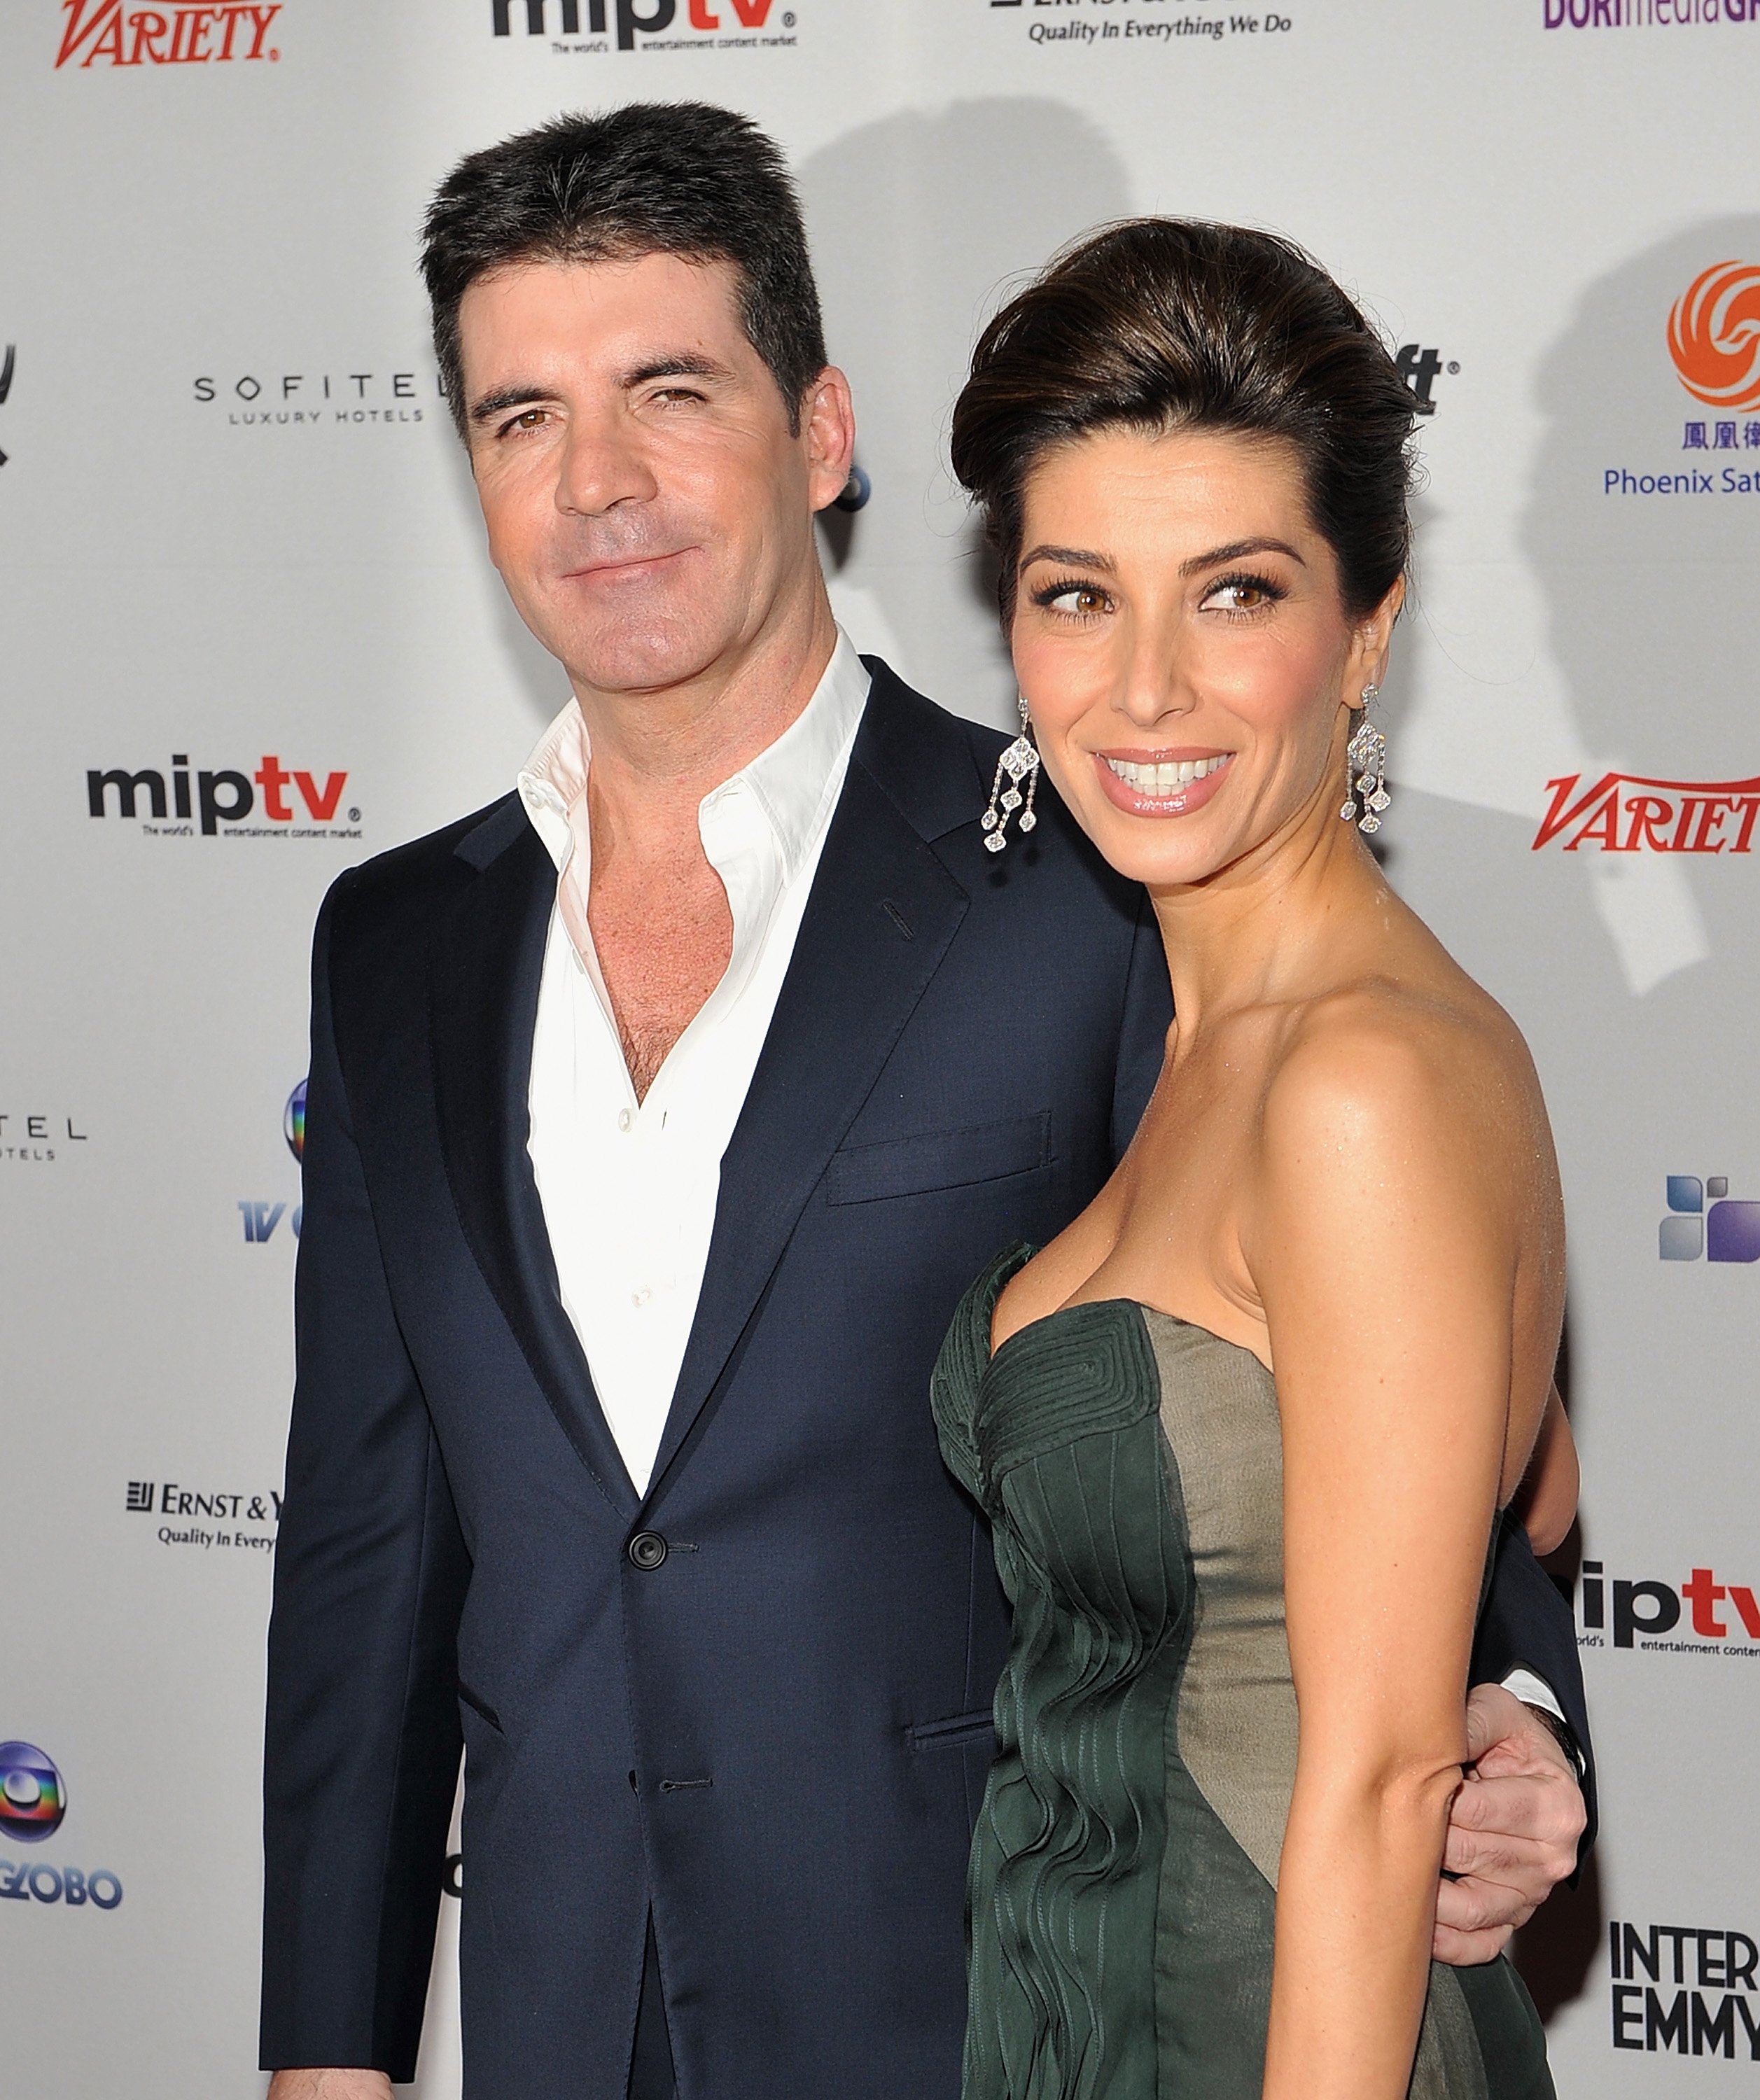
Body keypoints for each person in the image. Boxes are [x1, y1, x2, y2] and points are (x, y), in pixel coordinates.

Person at [259, 108, 1591, 2100]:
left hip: (984, 1997)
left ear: (818, 432)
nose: (596, 482)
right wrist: (328, 2052)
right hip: (557, 2008)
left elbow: (1336, 1377)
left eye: (666, 391)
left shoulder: (1104, 878)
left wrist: (1512, 1713)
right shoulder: (390, 942)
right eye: (520, 417)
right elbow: (367, 1543)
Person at [935, 218, 1581, 2100]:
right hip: (1077, 2012)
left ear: (1364, 630)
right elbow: (1528, 1495)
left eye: (1231, 594)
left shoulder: (1362, 1080)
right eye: (1075, 595)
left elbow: (1381, 1787)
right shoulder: (1230, 1038)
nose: (1142, 690)